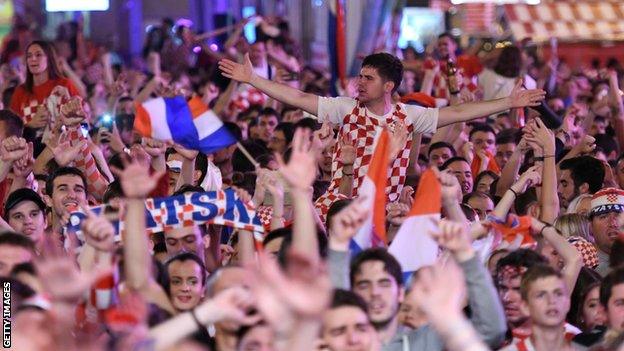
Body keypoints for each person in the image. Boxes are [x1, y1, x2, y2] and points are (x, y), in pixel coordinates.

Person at [219, 52, 545, 202]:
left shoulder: (408, 116)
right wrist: (253, 79)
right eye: (360, 76)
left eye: (368, 78)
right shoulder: (344, 109)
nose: (359, 83)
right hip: (341, 203)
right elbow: (299, 96)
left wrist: (508, 103)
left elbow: (459, 112)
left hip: (386, 207)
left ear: (388, 85)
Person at [348, 221, 506, 350]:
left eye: (384, 284)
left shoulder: (428, 340)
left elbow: (492, 331)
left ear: (401, 292)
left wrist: (465, 255)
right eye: (363, 285)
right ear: (352, 292)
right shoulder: (338, 342)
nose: (375, 292)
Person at [499, 265, 586, 351]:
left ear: (568, 303)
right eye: (541, 295)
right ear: (525, 306)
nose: (552, 301)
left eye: (558, 294)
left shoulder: (585, 345)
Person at [587, 188, 624, 276]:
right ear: (590, 226)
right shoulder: (585, 267)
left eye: (618, 216)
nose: (613, 223)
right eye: (603, 217)